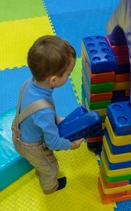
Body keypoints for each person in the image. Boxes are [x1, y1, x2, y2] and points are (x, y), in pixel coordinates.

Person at [11, 35, 84, 195]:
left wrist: (57, 119)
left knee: (42, 164)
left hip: (19, 132)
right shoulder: (44, 110)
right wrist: (72, 146)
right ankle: (50, 187)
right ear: (53, 79)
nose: (69, 76)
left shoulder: (31, 83)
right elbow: (53, 143)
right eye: (68, 74)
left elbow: (36, 113)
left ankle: (40, 167)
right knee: (51, 168)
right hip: (32, 146)